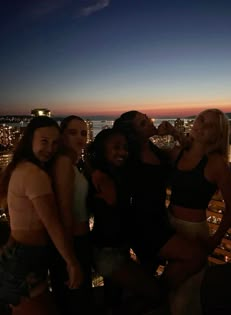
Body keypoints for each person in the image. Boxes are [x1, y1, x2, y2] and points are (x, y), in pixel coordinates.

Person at [111, 111, 207, 290]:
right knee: (197, 256)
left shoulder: (154, 148)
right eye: (142, 123)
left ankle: (150, 299)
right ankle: (157, 296)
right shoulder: (130, 159)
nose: (148, 121)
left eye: (145, 117)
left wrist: (174, 132)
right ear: (134, 134)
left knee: (148, 272)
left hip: (161, 219)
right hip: (144, 225)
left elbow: (186, 154)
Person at [0, 116, 83, 315]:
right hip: (25, 259)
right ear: (30, 140)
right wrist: (72, 262)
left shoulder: (21, 168)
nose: (50, 148)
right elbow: (52, 223)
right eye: (44, 141)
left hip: (22, 254)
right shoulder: (34, 175)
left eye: (55, 143)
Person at [86, 128, 168, 314]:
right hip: (108, 254)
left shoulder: (112, 172)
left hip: (117, 249)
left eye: (125, 147)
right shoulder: (103, 177)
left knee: (113, 300)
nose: (123, 152)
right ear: (102, 150)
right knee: (156, 293)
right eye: (116, 147)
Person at [158, 108, 231, 251]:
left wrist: (215, 240)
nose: (202, 126)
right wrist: (167, 130)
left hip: (193, 231)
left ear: (217, 136)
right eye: (201, 120)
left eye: (210, 126)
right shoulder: (177, 153)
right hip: (168, 223)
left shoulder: (217, 164)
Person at [50, 115, 94, 315]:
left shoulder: (74, 163)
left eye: (84, 133)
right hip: (72, 242)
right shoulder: (63, 163)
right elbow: (64, 211)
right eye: (73, 132)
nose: (80, 137)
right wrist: (70, 260)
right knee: (75, 302)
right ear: (62, 136)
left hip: (79, 240)